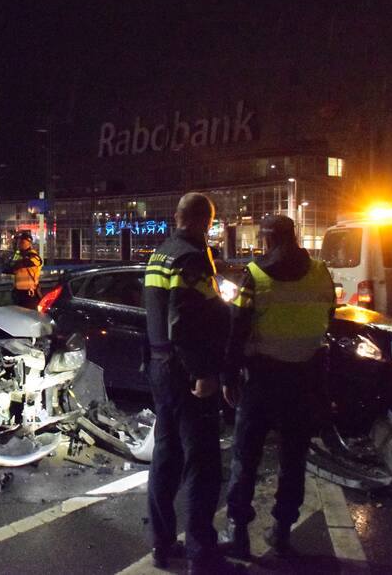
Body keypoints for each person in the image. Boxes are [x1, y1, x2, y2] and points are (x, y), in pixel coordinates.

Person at [220, 215, 335, 559]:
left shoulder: (255, 276)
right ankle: (281, 531)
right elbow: (329, 314)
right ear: (295, 235)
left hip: (261, 381)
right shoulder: (320, 272)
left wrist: (229, 377)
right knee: (293, 458)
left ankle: (238, 533)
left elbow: (237, 329)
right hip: (304, 380)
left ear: (268, 238)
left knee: (246, 457)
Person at [143, 193, 230, 573]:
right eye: (209, 224)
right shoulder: (191, 258)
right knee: (202, 464)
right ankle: (201, 555)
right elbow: (184, 322)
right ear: (202, 222)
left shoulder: (160, 253)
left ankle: (163, 547)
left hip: (162, 370)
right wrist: (202, 373)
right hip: (185, 374)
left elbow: (162, 317)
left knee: (166, 459)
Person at [3, 232, 43, 309]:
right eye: (19, 241)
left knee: (29, 316)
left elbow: (19, 264)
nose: (20, 244)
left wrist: (15, 263)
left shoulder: (34, 256)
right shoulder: (18, 254)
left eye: (22, 242)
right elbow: (8, 268)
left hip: (30, 293)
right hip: (18, 293)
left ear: (29, 243)